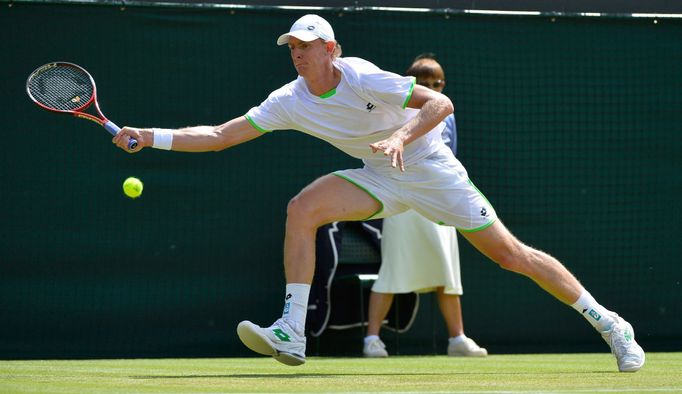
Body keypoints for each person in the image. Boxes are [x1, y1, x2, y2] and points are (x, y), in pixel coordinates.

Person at [113, 14, 645, 372]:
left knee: (511, 256)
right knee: (302, 209)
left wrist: (400, 134)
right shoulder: (288, 100)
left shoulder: (362, 76)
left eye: (307, 47)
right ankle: (291, 332)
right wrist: (148, 135)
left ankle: (610, 324)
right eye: (292, 48)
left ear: (331, 50)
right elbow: (220, 136)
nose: (297, 55)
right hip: (379, 171)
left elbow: (442, 105)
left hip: (431, 166)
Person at [363, 54, 486, 358]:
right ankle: (372, 340)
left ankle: (457, 339)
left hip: (439, 200)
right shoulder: (394, 111)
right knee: (392, 272)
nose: (433, 88)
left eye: (438, 83)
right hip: (402, 201)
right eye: (425, 83)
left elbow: (451, 154)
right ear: (411, 84)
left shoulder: (448, 114)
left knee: (447, 275)